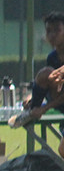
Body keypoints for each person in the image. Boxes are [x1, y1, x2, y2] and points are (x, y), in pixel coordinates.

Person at [21, 13, 64, 159]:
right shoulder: (52, 58)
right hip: (58, 101)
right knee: (45, 73)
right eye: (48, 31)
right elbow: (48, 84)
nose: (52, 35)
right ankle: (32, 109)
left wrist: (45, 108)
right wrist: (33, 98)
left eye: (57, 30)